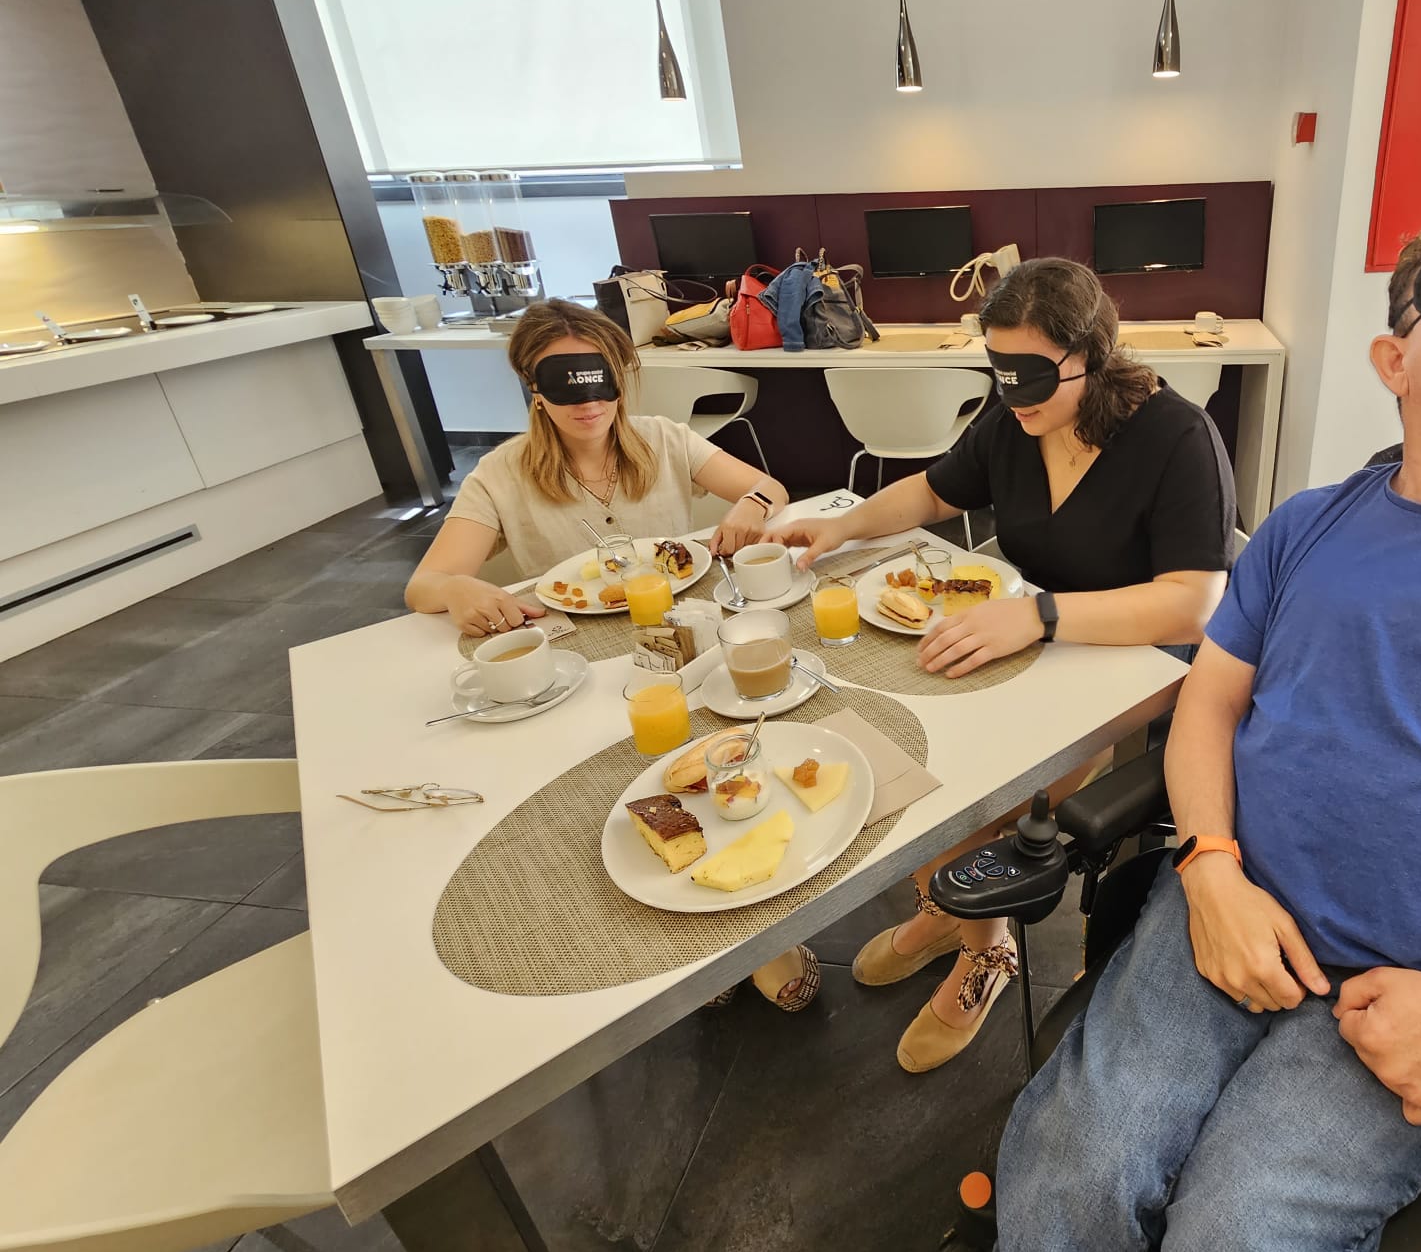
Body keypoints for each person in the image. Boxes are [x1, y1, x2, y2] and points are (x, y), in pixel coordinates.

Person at [992, 200, 1421, 1252]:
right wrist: (1210, 868)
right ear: (1392, 359)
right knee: (1071, 1168)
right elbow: (1209, 706)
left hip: (1420, 984)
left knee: (1237, 1232)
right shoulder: (1305, 529)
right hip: (1233, 915)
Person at [776, 258, 1235, 1071]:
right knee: (901, 766)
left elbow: (1193, 602)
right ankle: (956, 913)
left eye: (1031, 375)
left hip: (1128, 667)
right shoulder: (1016, 420)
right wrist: (842, 527)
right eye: (1000, 372)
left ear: (1090, 355)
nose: (1014, 395)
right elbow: (933, 491)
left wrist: (1039, 615)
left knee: (965, 805)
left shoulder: (1176, 437)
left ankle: (985, 947)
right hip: (1030, 641)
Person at [405, 298, 819, 1013]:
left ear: (621, 378)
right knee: (607, 798)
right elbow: (423, 585)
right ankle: (687, 929)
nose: (587, 399)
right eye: (563, 382)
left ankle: (745, 922)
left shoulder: (664, 440)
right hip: (580, 665)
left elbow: (768, 487)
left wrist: (750, 504)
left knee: (726, 773)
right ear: (533, 388)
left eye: (600, 378)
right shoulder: (500, 475)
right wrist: (458, 588)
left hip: (682, 649)